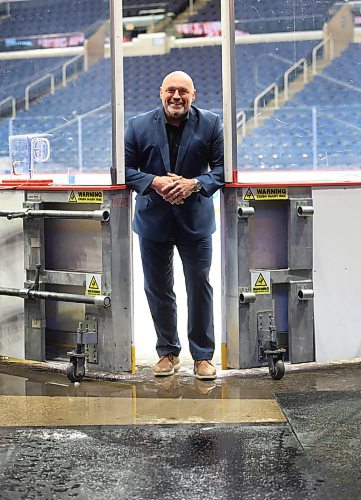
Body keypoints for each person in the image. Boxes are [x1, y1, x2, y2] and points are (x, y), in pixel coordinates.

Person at [125, 70, 224, 380]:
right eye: (171, 90)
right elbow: (125, 170)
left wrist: (193, 184)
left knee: (199, 287)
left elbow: (221, 171)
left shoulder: (211, 123)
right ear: (161, 93)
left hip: (195, 221)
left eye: (183, 91)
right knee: (158, 289)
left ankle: (203, 357)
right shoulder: (137, 125)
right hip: (153, 222)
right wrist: (153, 181)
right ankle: (167, 352)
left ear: (193, 95)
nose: (176, 96)